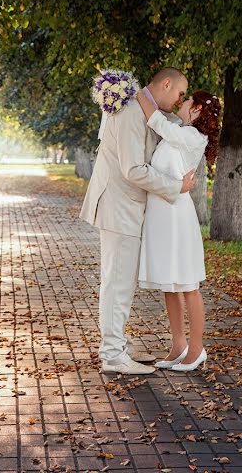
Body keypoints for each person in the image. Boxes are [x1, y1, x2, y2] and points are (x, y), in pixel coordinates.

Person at [80, 68, 197, 375]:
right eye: (180, 94)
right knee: (118, 283)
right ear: (167, 84)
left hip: (123, 208)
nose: (180, 100)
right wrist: (177, 187)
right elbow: (133, 169)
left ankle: (115, 345)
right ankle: (113, 355)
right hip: (119, 208)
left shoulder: (136, 106)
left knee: (119, 282)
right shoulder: (131, 110)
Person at [136, 88, 221, 372]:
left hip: (176, 216)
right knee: (169, 285)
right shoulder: (181, 130)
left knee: (187, 285)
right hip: (161, 213)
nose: (181, 103)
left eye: (187, 101)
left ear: (197, 110)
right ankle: (178, 344)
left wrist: (137, 92)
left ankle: (196, 350)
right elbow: (165, 118)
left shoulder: (193, 137)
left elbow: (156, 119)